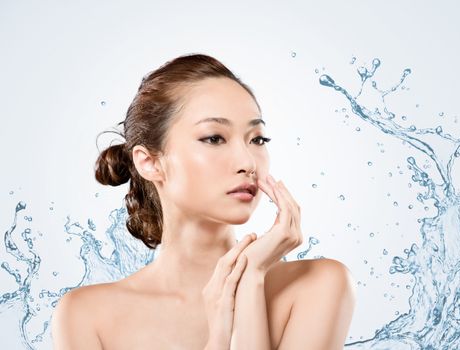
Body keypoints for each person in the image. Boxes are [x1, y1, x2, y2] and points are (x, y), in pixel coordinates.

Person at [51, 53, 356, 350]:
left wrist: (250, 277)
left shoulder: (319, 286)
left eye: (257, 139)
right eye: (214, 138)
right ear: (150, 163)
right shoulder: (86, 315)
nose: (247, 161)